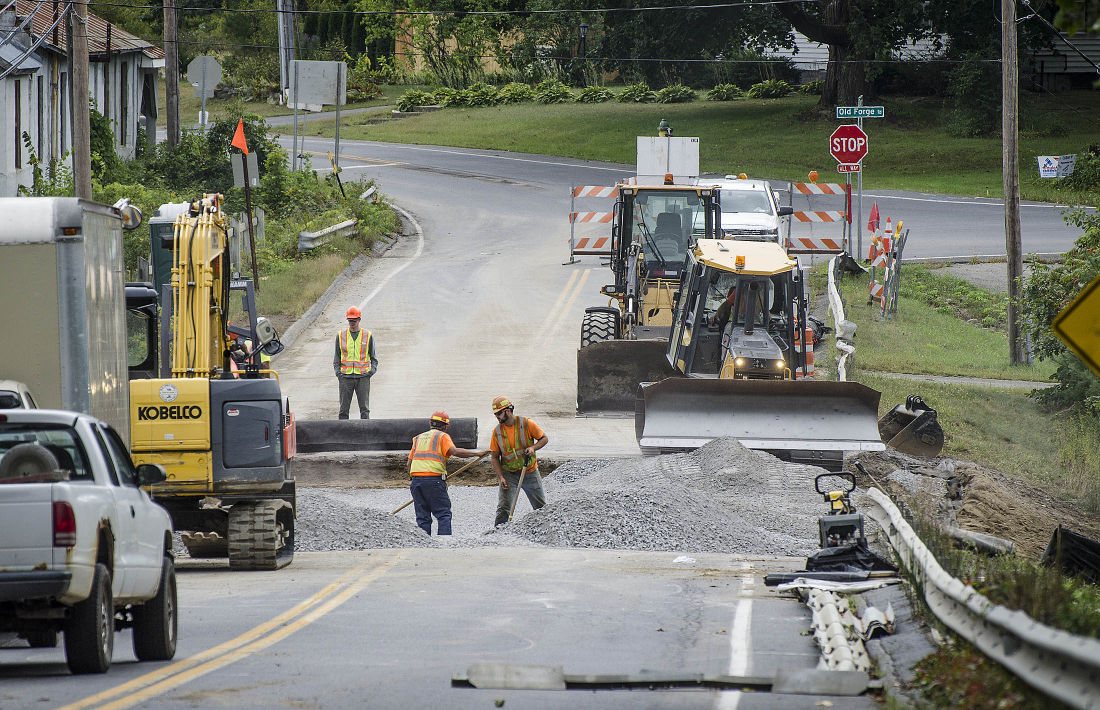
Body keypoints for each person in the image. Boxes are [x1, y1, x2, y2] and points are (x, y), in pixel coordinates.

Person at [407, 411, 488, 536]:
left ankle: (423, 547)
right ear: (445, 426)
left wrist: (414, 480)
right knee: (443, 514)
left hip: (416, 481)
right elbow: (454, 452)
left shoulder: (418, 438)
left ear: (430, 423)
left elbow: (409, 463)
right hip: (434, 480)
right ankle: (444, 547)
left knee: (423, 518)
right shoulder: (442, 436)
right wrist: (477, 454)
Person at [489, 396, 549, 526]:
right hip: (509, 474)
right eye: (496, 414)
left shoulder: (526, 424)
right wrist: (501, 477)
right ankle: (498, 534)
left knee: (541, 507)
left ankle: (545, 530)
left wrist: (533, 448)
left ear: (508, 410)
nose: (497, 417)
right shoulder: (497, 432)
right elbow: (494, 457)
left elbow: (544, 438)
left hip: (530, 471)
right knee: (503, 508)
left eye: (499, 413)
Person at [333, 306, 377, 419]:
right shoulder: (341, 335)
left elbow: (374, 358)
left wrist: (371, 372)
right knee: (343, 410)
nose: (352, 323)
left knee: (364, 410)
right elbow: (337, 357)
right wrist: (339, 374)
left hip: (363, 378)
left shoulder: (367, 335)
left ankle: (365, 434)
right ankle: (343, 434)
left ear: (359, 319)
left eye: (354, 320)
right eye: (350, 320)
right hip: (345, 378)